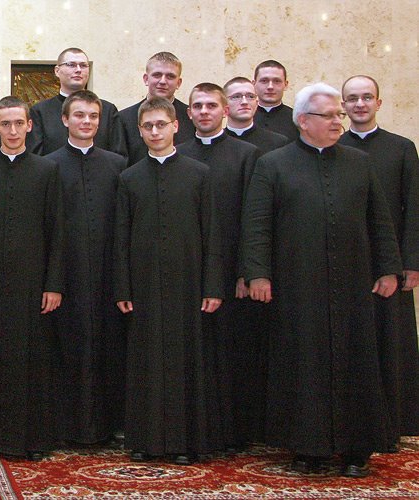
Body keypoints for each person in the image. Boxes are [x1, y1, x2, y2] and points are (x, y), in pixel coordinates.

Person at [242, 83, 401, 478]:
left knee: (356, 360)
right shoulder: (273, 164)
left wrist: (388, 268)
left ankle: (357, 449)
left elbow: (379, 220)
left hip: (353, 282)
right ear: (303, 121)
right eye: (328, 116)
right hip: (297, 283)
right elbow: (257, 224)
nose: (337, 122)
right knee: (302, 362)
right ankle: (306, 447)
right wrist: (258, 273)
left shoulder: (359, 162)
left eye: (338, 115)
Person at [114, 97, 223, 465]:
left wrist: (212, 286)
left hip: (188, 284)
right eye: (148, 126)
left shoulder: (199, 174)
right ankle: (144, 441)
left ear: (176, 126)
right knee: (144, 361)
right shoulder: (129, 178)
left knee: (186, 360)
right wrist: (123, 286)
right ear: (140, 131)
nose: (155, 131)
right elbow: (121, 238)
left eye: (161, 124)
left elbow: (212, 233)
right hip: (143, 285)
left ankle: (184, 442)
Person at [0, 96, 64, 460]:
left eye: (19, 123)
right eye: (5, 123)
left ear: (29, 126)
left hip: (32, 282)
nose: (13, 130)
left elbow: (57, 231)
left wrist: (53, 284)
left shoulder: (47, 170)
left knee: (31, 359)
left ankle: (31, 440)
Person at [337, 74, 419, 452]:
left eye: (366, 97)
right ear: (343, 106)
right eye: (352, 99)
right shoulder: (334, 148)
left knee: (390, 342)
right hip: (347, 263)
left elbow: (413, 208)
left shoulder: (401, 148)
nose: (360, 104)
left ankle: (395, 422)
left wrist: (410, 262)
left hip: (391, 262)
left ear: (378, 103)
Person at [177, 83, 260, 449]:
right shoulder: (178, 154)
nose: (204, 112)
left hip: (230, 272)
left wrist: (246, 271)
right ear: (188, 114)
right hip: (188, 270)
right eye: (198, 106)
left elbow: (253, 216)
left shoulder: (247, 155)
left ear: (225, 110)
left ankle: (232, 433)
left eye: (212, 105)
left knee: (231, 352)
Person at [43, 90, 127, 445]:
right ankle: (65, 426)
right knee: (65, 347)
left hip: (107, 272)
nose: (86, 121)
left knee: (107, 348)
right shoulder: (48, 165)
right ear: (65, 120)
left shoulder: (118, 165)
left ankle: (104, 427)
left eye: (93, 116)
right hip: (66, 272)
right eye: (79, 115)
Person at [30, 48, 125, 157]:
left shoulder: (108, 110)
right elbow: (35, 159)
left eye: (83, 65)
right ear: (57, 71)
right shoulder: (40, 111)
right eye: (71, 65)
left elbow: (118, 157)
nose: (78, 70)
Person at [118, 52, 195, 164]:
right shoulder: (123, 118)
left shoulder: (191, 117)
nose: (163, 81)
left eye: (170, 76)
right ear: (146, 79)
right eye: (157, 75)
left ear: (178, 83)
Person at [223, 77, 290, 156]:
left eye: (250, 96)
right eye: (236, 97)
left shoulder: (278, 142)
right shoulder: (215, 142)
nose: (244, 102)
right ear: (224, 105)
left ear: (256, 103)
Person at [252, 60, 298, 141]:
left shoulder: (297, 120)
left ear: (285, 85)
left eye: (277, 81)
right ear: (253, 84)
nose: (270, 87)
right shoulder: (243, 117)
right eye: (264, 81)